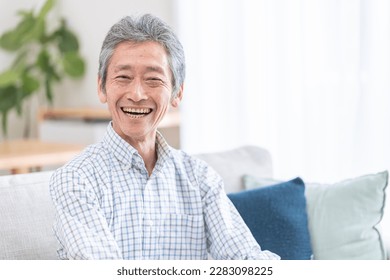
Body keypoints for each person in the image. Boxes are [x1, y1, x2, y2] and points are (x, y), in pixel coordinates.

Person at [49, 13, 280, 260]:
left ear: (177, 94)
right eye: (123, 77)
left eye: (153, 79)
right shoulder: (75, 180)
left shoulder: (201, 180)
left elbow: (246, 260)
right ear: (102, 87)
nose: (136, 94)